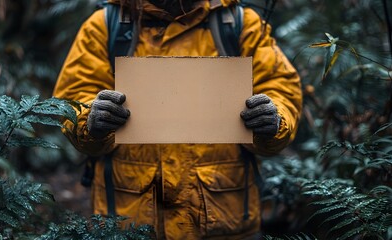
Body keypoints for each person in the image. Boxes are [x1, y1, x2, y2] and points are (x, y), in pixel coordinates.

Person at [53, 0, 302, 239]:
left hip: (223, 223)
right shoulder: (106, 25)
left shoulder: (239, 23)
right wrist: (90, 118)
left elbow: (279, 87)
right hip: (130, 221)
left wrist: (273, 118)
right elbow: (75, 96)